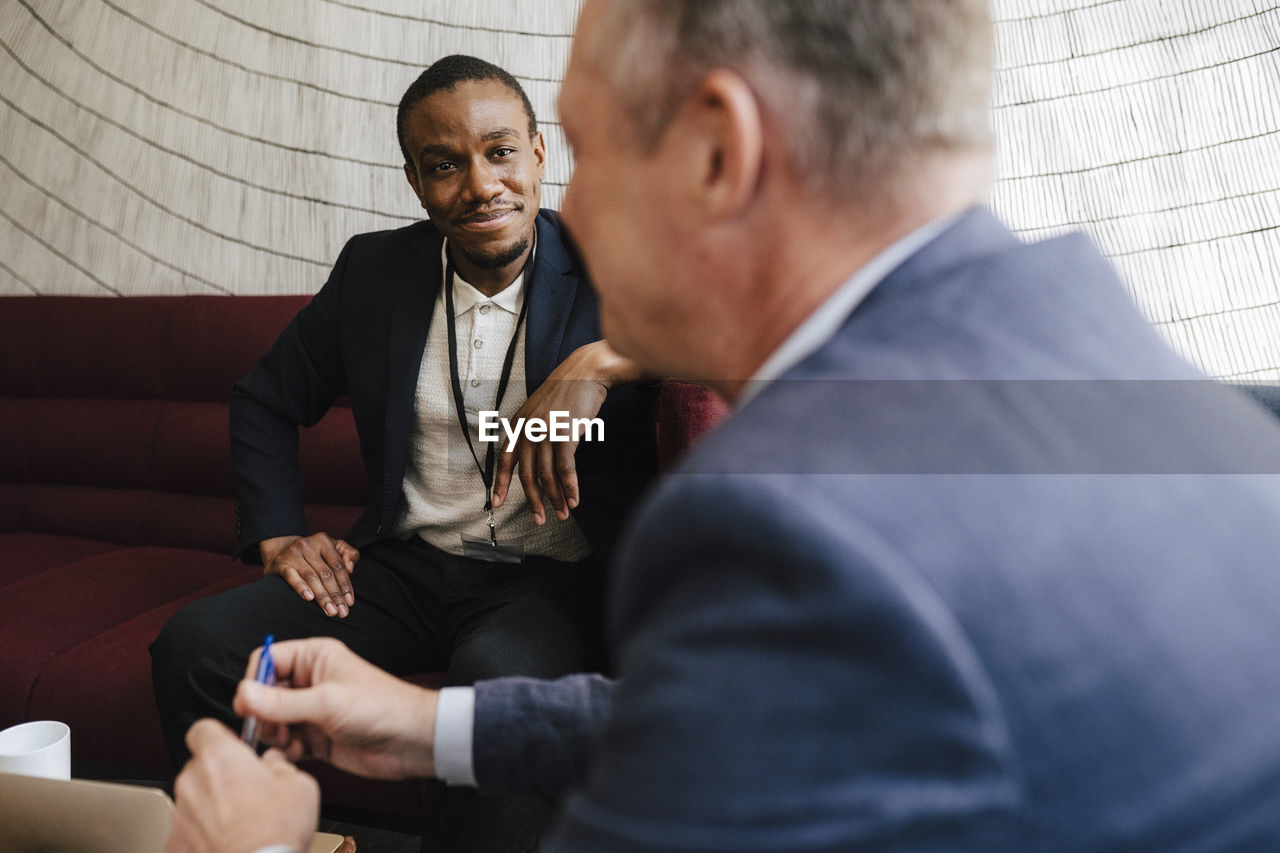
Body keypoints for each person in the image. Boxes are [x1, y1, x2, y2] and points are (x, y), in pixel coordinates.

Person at [169, 2, 1280, 851]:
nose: (569, 209)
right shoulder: (1138, 374)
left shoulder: (779, 522)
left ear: (715, 151)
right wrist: (428, 729)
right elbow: (760, 710)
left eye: (582, 151)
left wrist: (261, 845)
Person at [151, 53, 656, 851]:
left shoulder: (617, 267)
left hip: (550, 580)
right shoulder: (375, 273)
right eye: (445, 165)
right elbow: (264, 398)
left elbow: (740, 343)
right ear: (418, 184)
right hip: (405, 568)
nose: (481, 185)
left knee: (493, 683)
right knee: (199, 647)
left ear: (537, 154)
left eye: (499, 152)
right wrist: (278, 533)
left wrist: (604, 362)